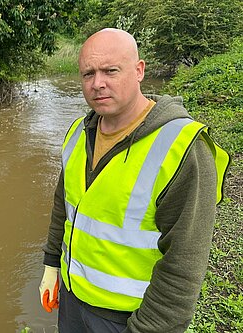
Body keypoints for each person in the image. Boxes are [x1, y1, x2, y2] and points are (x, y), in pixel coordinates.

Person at [38, 28, 230, 333]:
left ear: (139, 70)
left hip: (129, 317)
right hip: (73, 302)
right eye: (88, 73)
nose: (98, 83)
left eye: (110, 71)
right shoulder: (78, 132)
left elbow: (183, 265)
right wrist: (51, 264)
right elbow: (65, 205)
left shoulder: (182, 147)